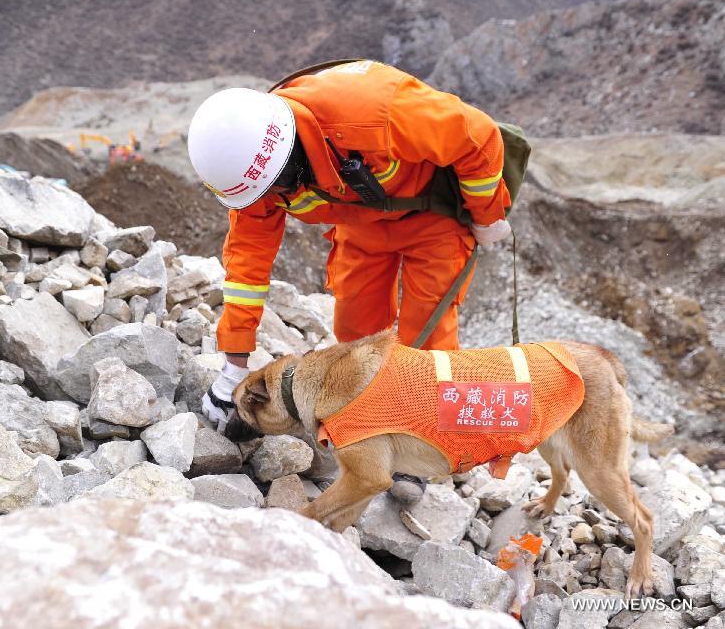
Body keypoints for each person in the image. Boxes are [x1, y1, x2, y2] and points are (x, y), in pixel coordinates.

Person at [189, 60, 512, 499]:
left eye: (280, 188)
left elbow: (478, 136)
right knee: (356, 337)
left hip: (433, 221)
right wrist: (234, 366)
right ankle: (368, 430)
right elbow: (247, 269)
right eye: (266, 195)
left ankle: (419, 447)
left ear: (291, 155)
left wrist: (487, 213)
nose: (275, 201)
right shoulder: (258, 179)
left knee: (426, 345)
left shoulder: (378, 114)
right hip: (360, 224)